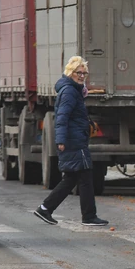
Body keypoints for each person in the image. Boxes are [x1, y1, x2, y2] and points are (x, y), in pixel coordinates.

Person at [34, 56, 108, 227]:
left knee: (72, 178)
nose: (81, 76)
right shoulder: (69, 92)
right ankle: (88, 216)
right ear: (70, 73)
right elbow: (62, 117)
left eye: (84, 73)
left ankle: (45, 209)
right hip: (73, 141)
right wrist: (60, 140)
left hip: (75, 138)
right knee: (84, 176)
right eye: (78, 72)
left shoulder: (74, 90)